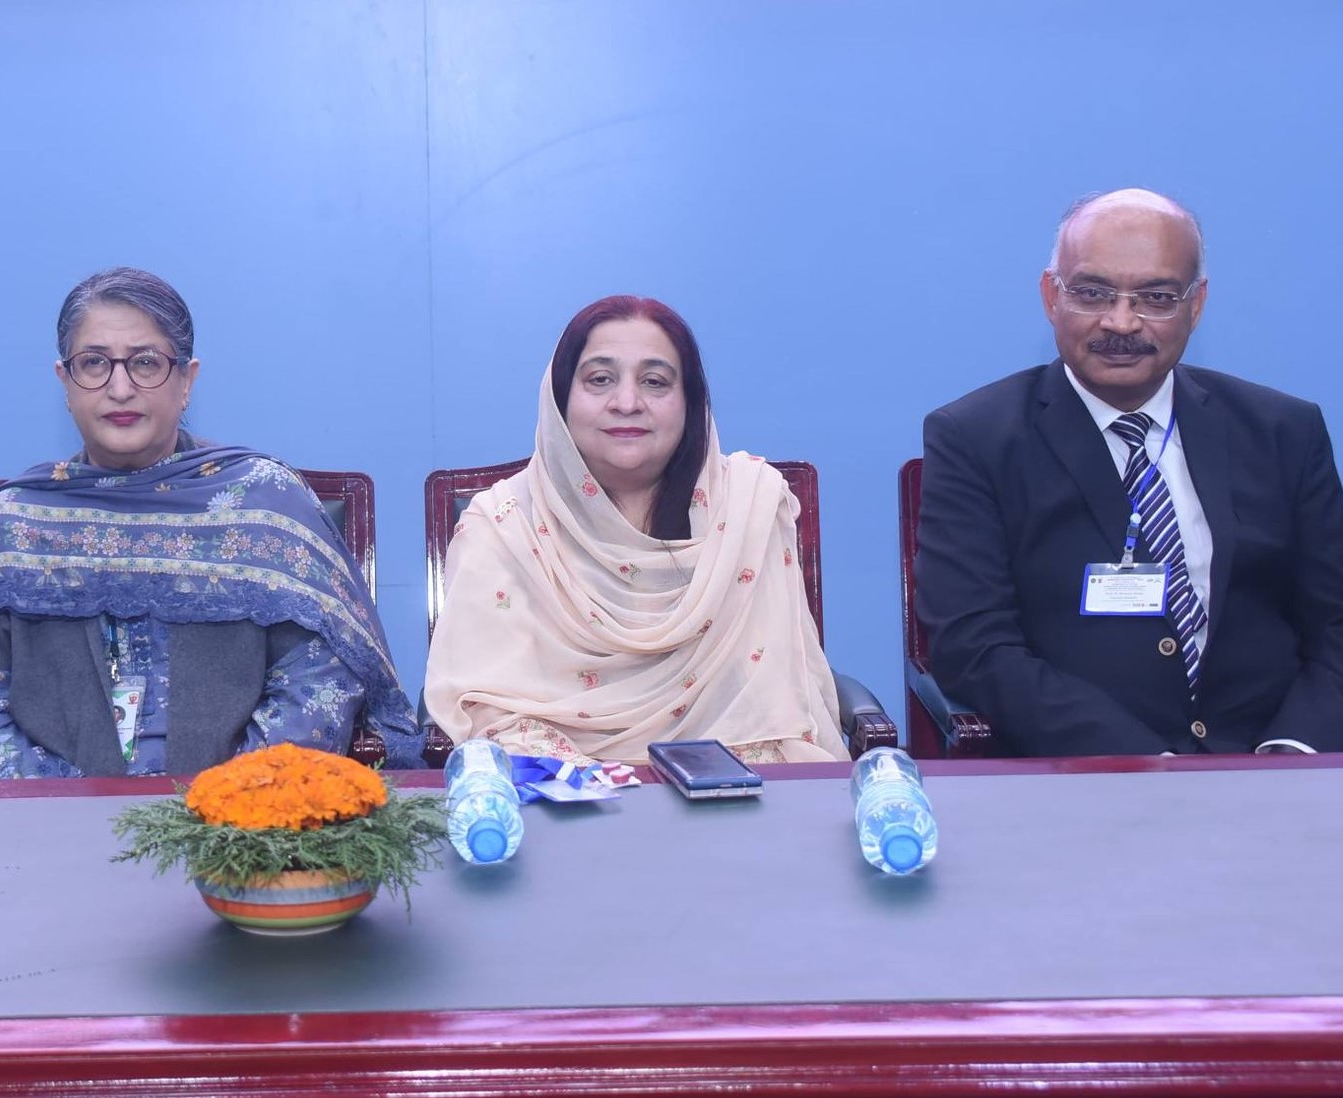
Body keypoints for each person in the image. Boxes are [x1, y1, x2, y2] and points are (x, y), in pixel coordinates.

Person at [0, 266, 422, 776]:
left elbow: (318, 682)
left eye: (146, 363)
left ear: (186, 380)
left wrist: (226, 797)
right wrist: (66, 802)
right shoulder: (17, 524)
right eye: (94, 363)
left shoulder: (263, 506)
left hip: (238, 812)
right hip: (48, 816)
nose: (120, 388)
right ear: (65, 382)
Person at [916, 188, 1343, 755]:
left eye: (1156, 297)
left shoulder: (1283, 431)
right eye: (1092, 293)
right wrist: (1142, 765)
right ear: (1051, 296)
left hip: (1272, 763)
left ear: (1196, 304)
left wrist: (1293, 750)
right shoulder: (977, 439)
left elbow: (1334, 624)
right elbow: (974, 646)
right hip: (1089, 771)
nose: (1121, 322)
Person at [422, 295, 846, 766]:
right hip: (561, 792)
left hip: (732, 788)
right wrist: (599, 789)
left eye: (655, 382)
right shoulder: (503, 526)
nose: (627, 403)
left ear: (691, 403)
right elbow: (489, 710)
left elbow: (776, 703)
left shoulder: (751, 509)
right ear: (560, 397)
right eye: (600, 379)